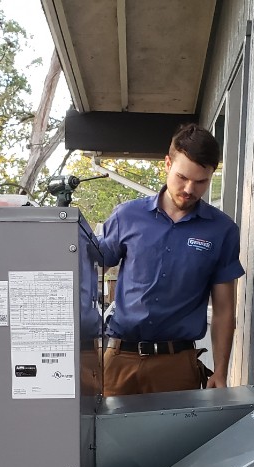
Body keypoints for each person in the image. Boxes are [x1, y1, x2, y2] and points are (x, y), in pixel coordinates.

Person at [97, 123, 245, 396]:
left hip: (177, 365)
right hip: (119, 360)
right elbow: (89, 270)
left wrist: (221, 373)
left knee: (178, 440)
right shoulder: (126, 217)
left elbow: (224, 310)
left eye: (201, 182)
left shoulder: (222, 231)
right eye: (182, 177)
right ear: (167, 164)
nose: (189, 188)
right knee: (102, 437)